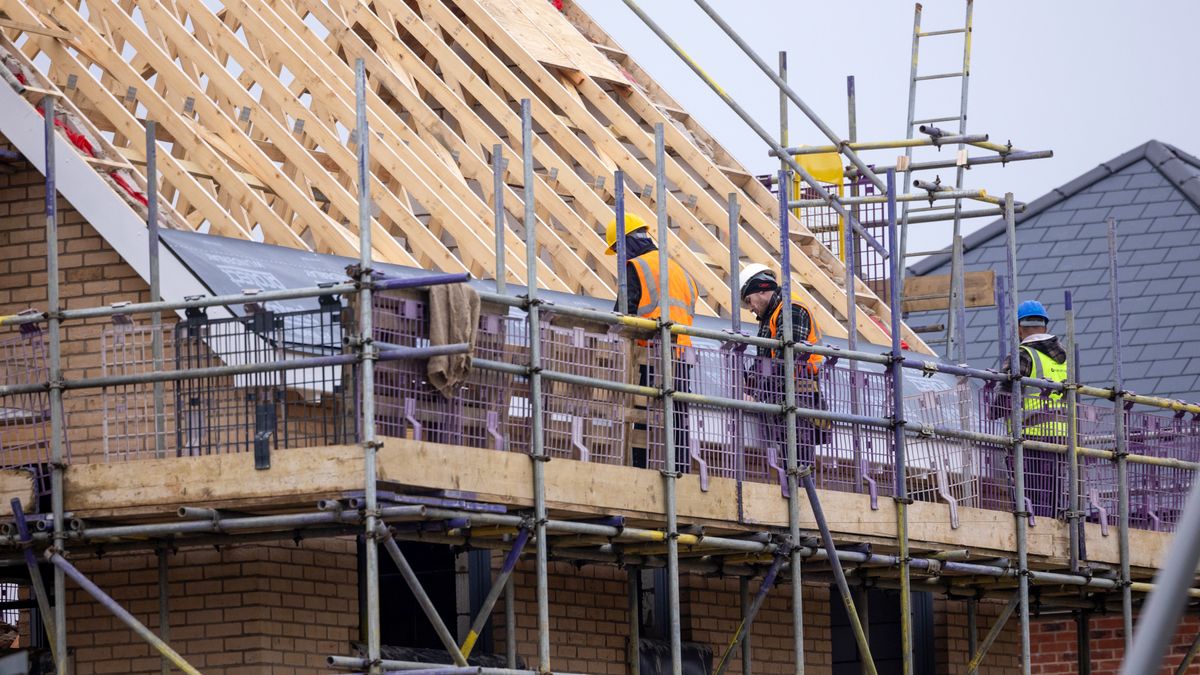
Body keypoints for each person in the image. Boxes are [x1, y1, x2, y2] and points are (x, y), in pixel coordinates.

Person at [606, 214, 698, 473]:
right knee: (677, 414)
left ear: (626, 244)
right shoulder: (680, 271)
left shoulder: (637, 267)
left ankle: (639, 469)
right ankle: (680, 471)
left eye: (617, 251)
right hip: (681, 354)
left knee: (641, 413)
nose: (619, 258)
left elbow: (622, 314)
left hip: (650, 354)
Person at [738, 264, 829, 478]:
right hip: (784, 393)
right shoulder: (770, 317)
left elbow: (785, 360)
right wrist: (748, 384)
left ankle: (802, 493)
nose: (750, 308)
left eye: (749, 301)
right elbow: (765, 360)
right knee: (790, 453)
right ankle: (797, 489)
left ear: (761, 289)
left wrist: (756, 393)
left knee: (799, 453)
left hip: (800, 392)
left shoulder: (791, 309)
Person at [994, 299, 1068, 518]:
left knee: (1031, 492)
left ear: (1019, 327)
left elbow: (1006, 394)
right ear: (1045, 326)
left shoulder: (1023, 354)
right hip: (1061, 435)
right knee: (1053, 491)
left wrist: (993, 413)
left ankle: (1036, 533)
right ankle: (1052, 526)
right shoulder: (1063, 358)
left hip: (1030, 435)